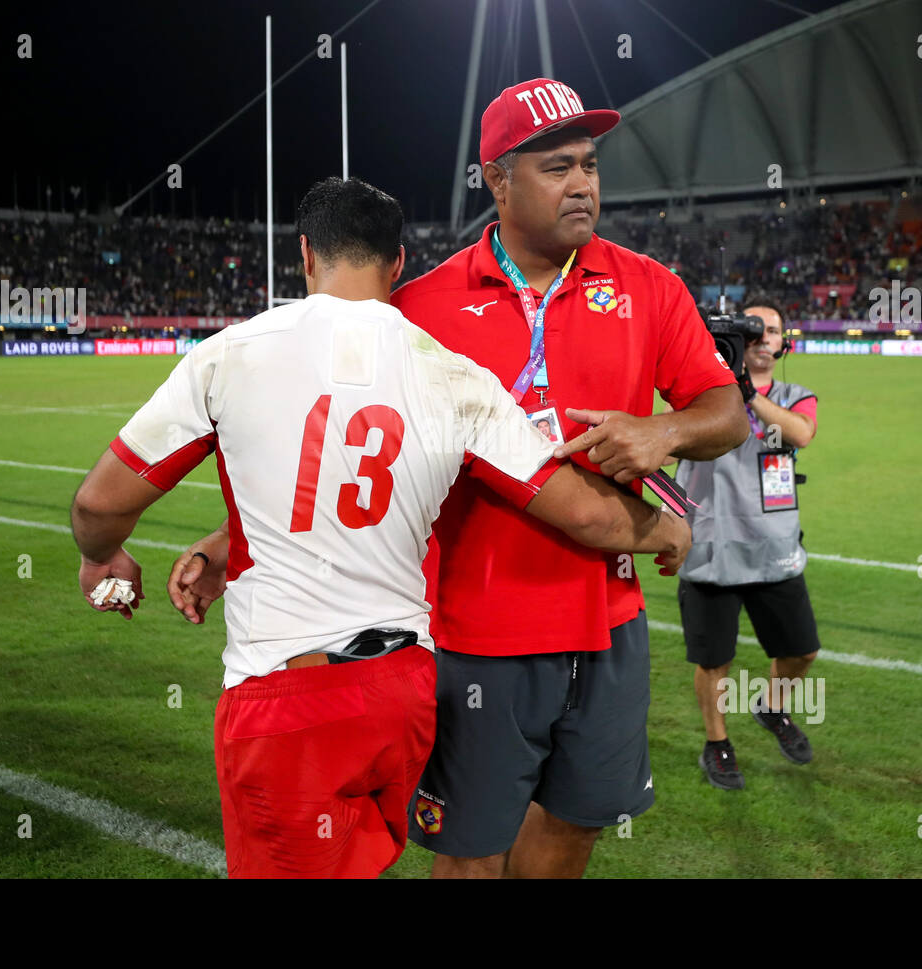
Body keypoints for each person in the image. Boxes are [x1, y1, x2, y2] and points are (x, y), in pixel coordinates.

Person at [71, 176, 692, 878]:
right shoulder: (455, 375)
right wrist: (663, 530)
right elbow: (581, 511)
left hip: (287, 691)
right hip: (402, 692)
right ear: (398, 265)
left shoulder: (232, 353)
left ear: (304, 253)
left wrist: (105, 559)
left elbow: (100, 505)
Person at [388, 78, 745, 877]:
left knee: (572, 830)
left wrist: (666, 429)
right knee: (471, 852)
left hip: (610, 624)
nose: (583, 183)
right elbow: (356, 450)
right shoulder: (421, 307)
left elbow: (727, 413)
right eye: (556, 167)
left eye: (589, 164)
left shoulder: (647, 285)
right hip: (479, 635)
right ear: (498, 180)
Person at [673, 297, 821, 791]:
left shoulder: (796, 394)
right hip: (710, 546)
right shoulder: (701, 390)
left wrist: (747, 395)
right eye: (752, 330)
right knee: (714, 660)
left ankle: (771, 707)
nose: (762, 338)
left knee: (802, 651)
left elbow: (799, 434)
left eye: (771, 331)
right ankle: (717, 743)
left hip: (773, 547)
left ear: (784, 343)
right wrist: (720, 382)